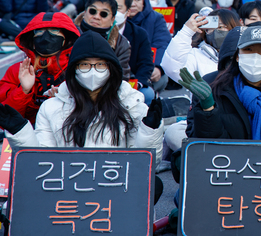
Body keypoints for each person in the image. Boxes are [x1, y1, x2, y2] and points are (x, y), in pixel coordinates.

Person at [0, 30, 164, 201]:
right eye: (85, 65)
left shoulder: (131, 105)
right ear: (74, 70)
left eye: (100, 64)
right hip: (66, 189)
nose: (93, 71)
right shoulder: (51, 107)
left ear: (111, 68)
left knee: (154, 183)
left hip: (115, 188)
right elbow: (41, 161)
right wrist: (21, 132)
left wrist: (150, 131)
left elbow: (144, 165)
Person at [180, 26, 261, 140]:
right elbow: (202, 145)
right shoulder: (212, 88)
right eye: (248, 49)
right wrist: (208, 108)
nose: (256, 57)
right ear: (237, 56)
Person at [0, 12, 80, 125]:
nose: (46, 36)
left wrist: (62, 101)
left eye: (54, 30)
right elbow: (6, 119)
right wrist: (23, 91)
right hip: (26, 136)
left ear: (67, 38)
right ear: (31, 40)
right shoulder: (17, 71)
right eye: (39, 31)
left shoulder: (78, 70)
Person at [162, 9, 240, 88]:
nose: (215, 31)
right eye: (211, 27)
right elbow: (173, 68)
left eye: (220, 27)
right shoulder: (196, 55)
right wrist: (186, 32)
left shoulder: (244, 54)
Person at [121, 0, 172, 93]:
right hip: (120, 72)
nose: (133, 4)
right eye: (129, 0)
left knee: (159, 80)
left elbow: (162, 43)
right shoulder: (114, 19)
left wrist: (157, 67)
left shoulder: (156, 18)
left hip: (146, 68)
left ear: (143, 0)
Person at [108, 0, 156, 105]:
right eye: (110, 8)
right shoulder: (96, 31)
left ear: (128, 11)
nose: (114, 12)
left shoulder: (139, 34)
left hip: (130, 82)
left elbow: (146, 63)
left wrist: (137, 84)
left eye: (118, 8)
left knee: (148, 93)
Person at [74, 0, 132, 80]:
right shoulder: (68, 33)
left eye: (103, 14)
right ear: (85, 12)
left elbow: (121, 76)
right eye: (93, 11)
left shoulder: (121, 44)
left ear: (113, 19)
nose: (97, 17)